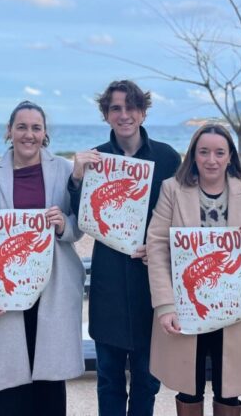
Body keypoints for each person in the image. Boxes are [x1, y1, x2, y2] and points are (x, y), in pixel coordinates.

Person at [146, 124, 241, 416]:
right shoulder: (172, 190)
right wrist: (165, 305)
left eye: (219, 153)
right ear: (193, 155)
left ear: (230, 157)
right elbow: (156, 247)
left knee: (229, 388)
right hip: (187, 304)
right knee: (188, 386)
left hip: (233, 309)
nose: (211, 160)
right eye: (204, 152)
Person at [68, 80, 181, 416]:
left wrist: (161, 246)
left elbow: (181, 215)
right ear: (106, 115)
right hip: (109, 283)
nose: (124, 115)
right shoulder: (95, 158)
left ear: (143, 112)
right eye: (115, 108)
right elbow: (81, 216)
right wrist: (76, 178)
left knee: (148, 380)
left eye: (131, 107)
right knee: (109, 379)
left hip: (151, 283)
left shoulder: (167, 158)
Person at [0, 101, 85, 416]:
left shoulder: (64, 170)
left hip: (53, 287)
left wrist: (63, 225)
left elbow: (80, 226)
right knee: (11, 383)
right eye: (21, 127)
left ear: (45, 133)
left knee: (50, 384)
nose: (28, 134)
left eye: (36, 128)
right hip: (6, 290)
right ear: (9, 131)